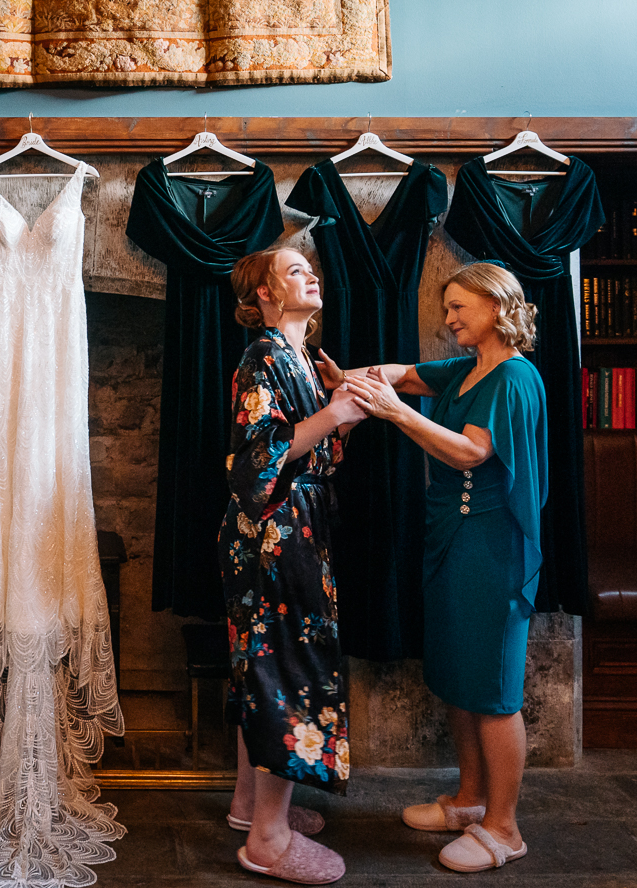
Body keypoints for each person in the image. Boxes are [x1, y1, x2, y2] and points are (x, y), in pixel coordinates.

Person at [339, 261, 547, 874]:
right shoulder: (468, 369)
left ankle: (504, 828)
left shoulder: (513, 376)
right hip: (452, 539)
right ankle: (468, 801)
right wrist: (340, 375)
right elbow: (402, 374)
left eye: (459, 307)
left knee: (494, 691)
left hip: (492, 546)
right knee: (460, 679)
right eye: (447, 306)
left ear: (496, 306)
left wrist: (395, 413)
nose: (449, 318)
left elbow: (473, 451)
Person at [223, 247, 368, 885]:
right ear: (264, 297)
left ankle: (248, 804)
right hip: (273, 536)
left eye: (312, 266)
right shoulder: (263, 356)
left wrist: (334, 409)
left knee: (265, 667)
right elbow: (257, 461)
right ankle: (268, 839)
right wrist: (332, 414)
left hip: (296, 528)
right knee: (285, 668)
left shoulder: (302, 360)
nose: (311, 273)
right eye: (293, 270)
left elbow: (318, 452)